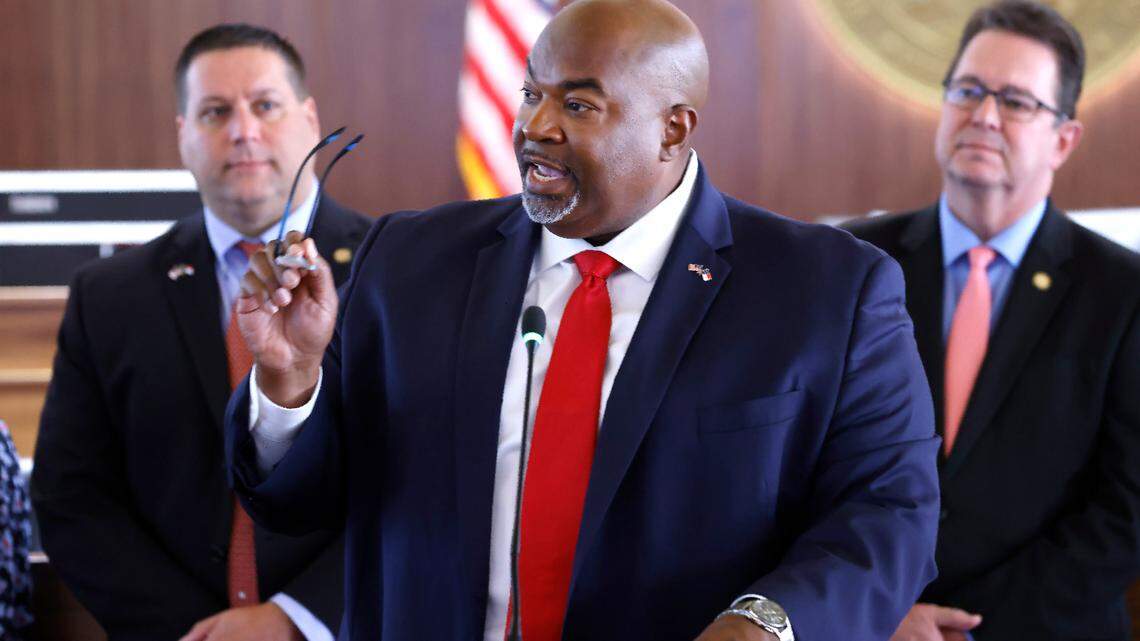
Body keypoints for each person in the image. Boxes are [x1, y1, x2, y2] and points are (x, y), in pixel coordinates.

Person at [229, 1, 940, 639]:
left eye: (579, 105)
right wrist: (290, 382)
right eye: (532, 94)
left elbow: (888, 512)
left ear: (673, 128)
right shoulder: (408, 262)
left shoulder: (826, 289)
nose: (537, 128)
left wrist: (766, 624)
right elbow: (302, 503)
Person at [31, 24, 371, 641]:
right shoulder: (108, 296)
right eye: (215, 112)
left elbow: (428, 481)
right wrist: (194, 632)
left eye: (265, 105)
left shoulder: (395, 269)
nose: (243, 130)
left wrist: (299, 619)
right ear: (184, 135)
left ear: (309, 116)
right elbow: (71, 497)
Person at [845, 2, 1140, 640]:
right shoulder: (853, 262)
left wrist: (969, 630)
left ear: (1064, 139)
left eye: (1016, 101)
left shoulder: (1124, 292)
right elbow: (802, 464)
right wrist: (879, 611)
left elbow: (1127, 509)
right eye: (969, 91)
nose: (983, 116)